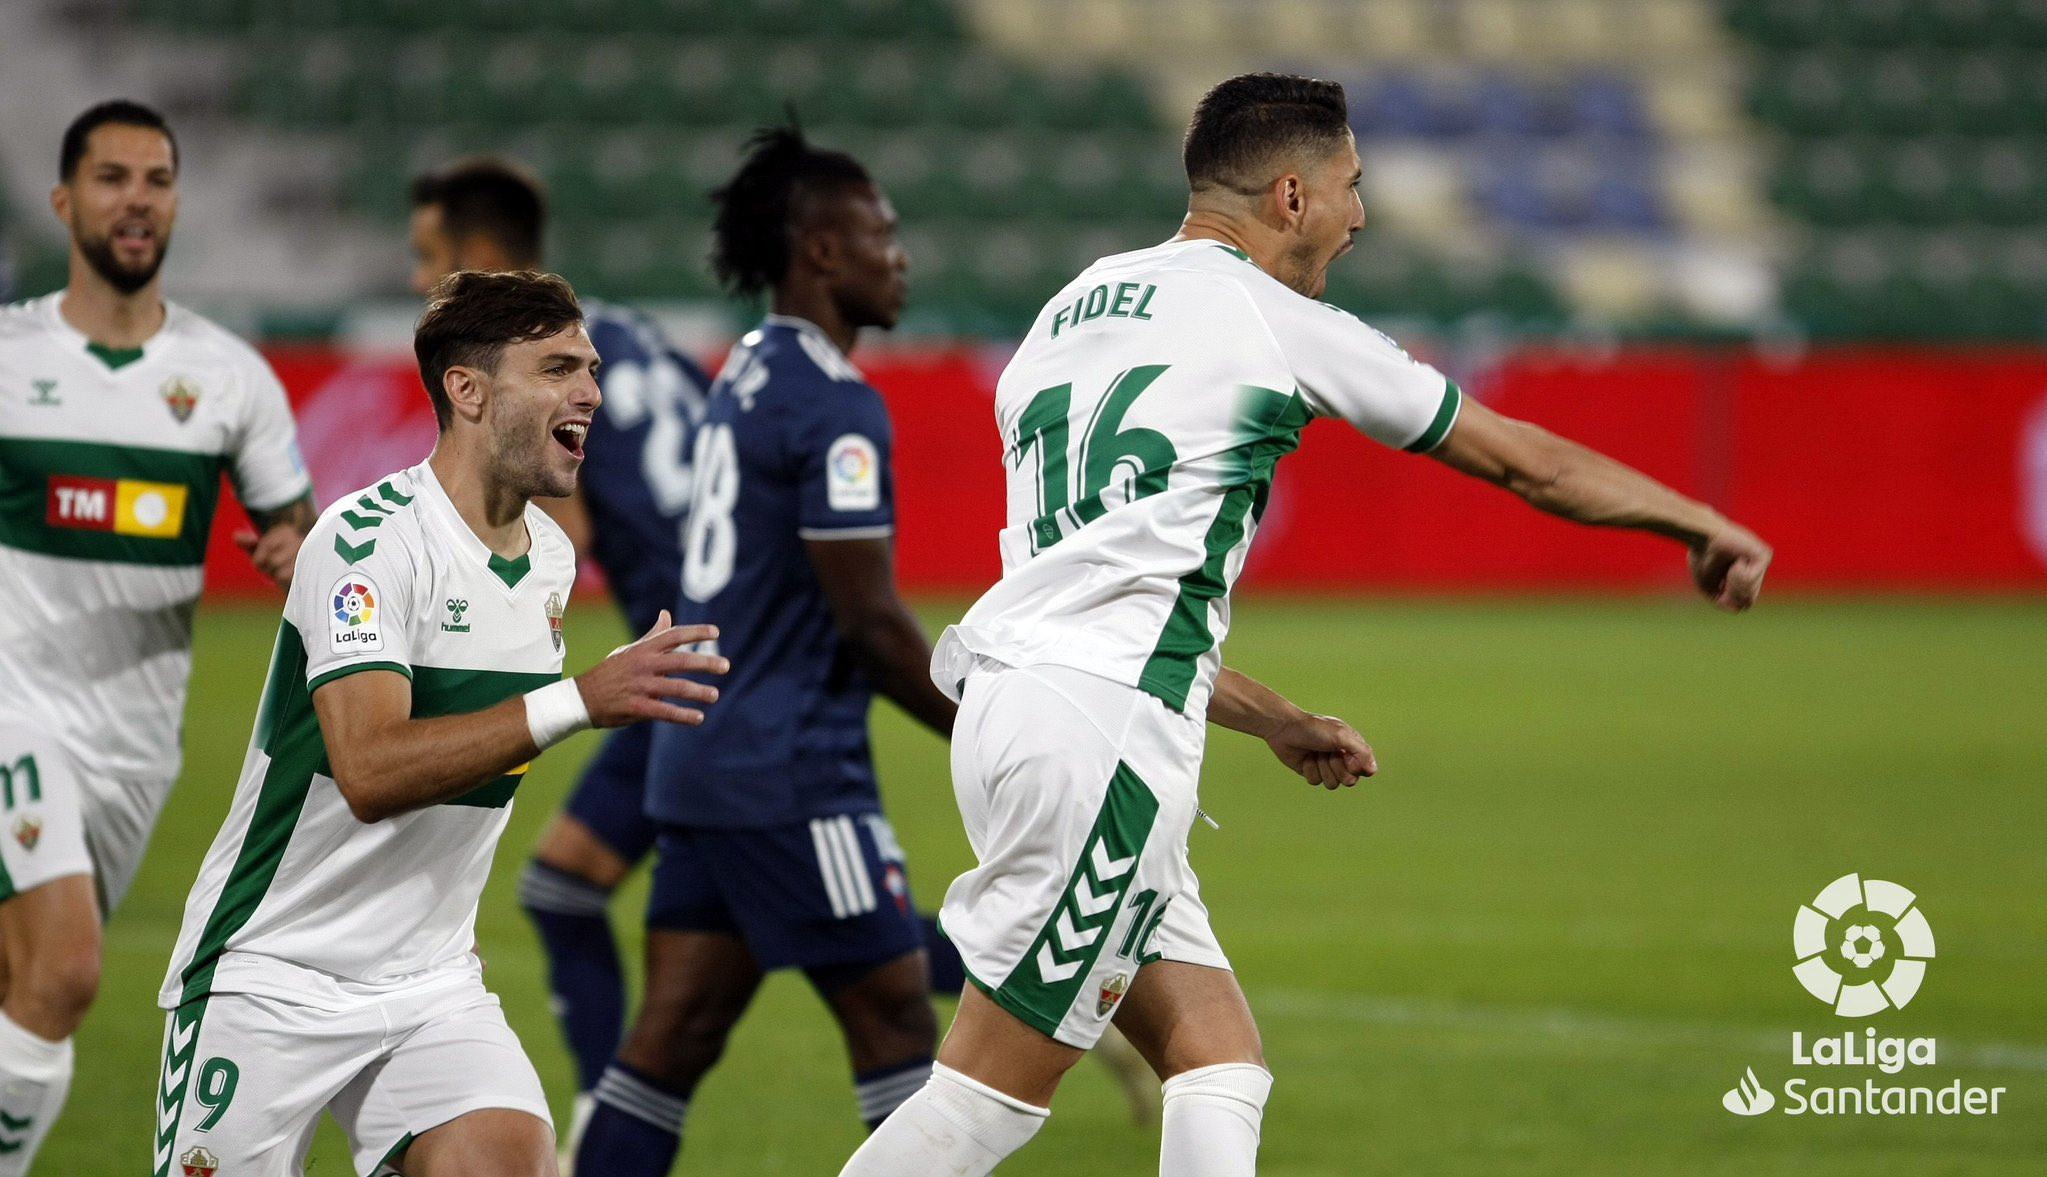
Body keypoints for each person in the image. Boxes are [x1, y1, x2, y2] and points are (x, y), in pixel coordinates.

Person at [840, 73, 1774, 1176]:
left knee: (1216, 1055)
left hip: (1012, 707)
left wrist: (1274, 717)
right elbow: (1529, 462)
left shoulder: (1068, 311)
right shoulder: (1269, 317)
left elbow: (1101, 595)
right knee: (985, 1097)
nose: (1362, 215)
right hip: (1101, 742)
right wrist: (1696, 518)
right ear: (1291, 195)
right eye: (1351, 187)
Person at [152, 270, 727, 1177]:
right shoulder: (365, 540)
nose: (590, 391)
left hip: (429, 982)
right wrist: (580, 699)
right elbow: (372, 772)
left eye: (590, 367)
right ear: (467, 390)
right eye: (557, 367)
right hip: (271, 975)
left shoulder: (549, 557)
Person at [572, 126, 954, 1173]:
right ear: (822, 250)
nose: (899, 254)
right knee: (899, 1031)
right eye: (881, 231)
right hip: (793, 775)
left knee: (672, 1040)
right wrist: (980, 731)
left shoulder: (743, 372)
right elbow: (870, 624)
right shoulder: (831, 404)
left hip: (699, 761)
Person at [0, 99, 315, 1174]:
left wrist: (292, 561)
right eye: (111, 178)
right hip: (13, 707)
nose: (136, 199)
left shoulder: (230, 377)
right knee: (68, 969)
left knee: (20, 991)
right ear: (64, 202)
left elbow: (305, 550)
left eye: (157, 179)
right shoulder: (8, 357)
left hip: (135, 750)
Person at [406, 156, 715, 1149]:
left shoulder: (542, 377)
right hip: (728, 636)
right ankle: (598, 1115)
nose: (420, 283)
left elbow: (555, 542)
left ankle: (1004, 990)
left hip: (698, 659)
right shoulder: (616, 336)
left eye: (430, 260)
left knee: (784, 928)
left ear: (481, 260)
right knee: (616, 895)